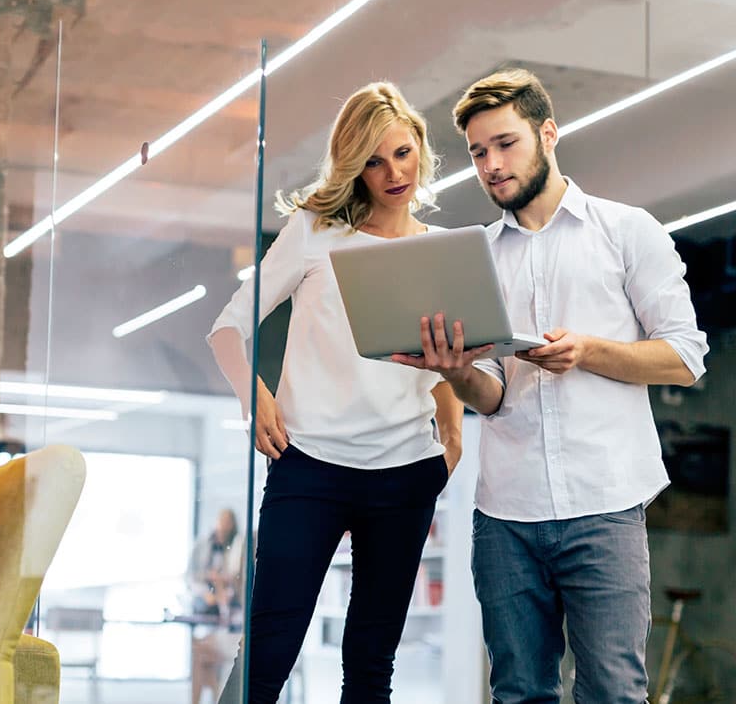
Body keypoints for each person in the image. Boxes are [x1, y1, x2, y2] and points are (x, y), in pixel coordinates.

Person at [392, 68, 709, 703]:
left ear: (548, 133)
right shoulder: (475, 256)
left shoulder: (626, 232)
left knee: (614, 692)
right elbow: (494, 394)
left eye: (505, 144)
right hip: (506, 513)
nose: (490, 165)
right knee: (516, 693)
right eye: (479, 152)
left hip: (606, 504)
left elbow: (684, 356)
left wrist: (588, 351)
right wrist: (454, 371)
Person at [207, 82, 462, 703]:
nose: (392, 172)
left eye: (401, 153)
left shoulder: (442, 252)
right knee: (267, 654)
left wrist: (451, 437)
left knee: (371, 666)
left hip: (404, 474)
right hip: (309, 468)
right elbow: (227, 329)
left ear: (421, 148)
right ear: (354, 167)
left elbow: (447, 361)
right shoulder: (316, 231)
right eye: (373, 161)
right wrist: (255, 394)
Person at [188, 508, 244, 704]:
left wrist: (220, 587)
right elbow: (194, 578)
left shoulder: (236, 558)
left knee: (200, 652)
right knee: (203, 654)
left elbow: (229, 605)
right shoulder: (208, 546)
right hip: (222, 623)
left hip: (235, 632)